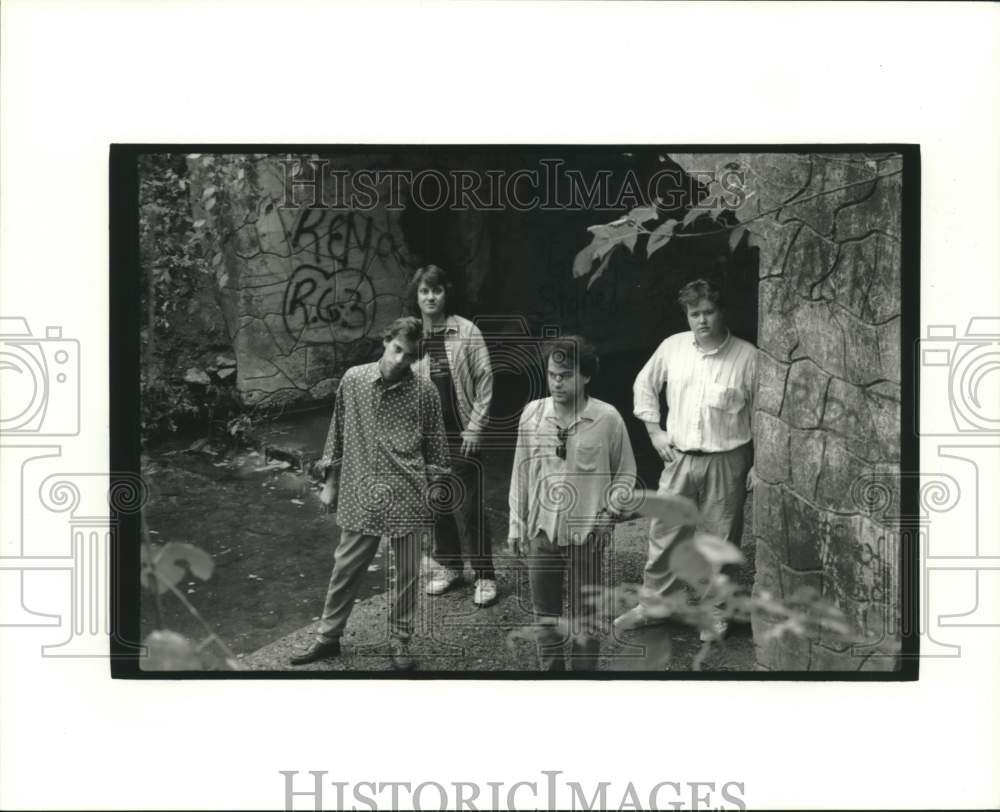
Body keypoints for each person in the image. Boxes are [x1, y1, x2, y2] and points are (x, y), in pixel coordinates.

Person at [290, 317, 450, 670]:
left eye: (409, 357)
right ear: (386, 341)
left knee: (407, 574)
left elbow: (437, 450)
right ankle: (327, 638)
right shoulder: (354, 379)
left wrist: (435, 495)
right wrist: (330, 483)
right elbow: (338, 432)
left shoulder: (425, 392)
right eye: (396, 350)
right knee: (345, 566)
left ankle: (400, 640)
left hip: (408, 492)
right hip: (360, 489)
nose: (399, 361)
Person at [615, 279, 757, 640]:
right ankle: (655, 607)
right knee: (665, 534)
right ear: (687, 315)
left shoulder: (747, 356)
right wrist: (654, 432)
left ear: (722, 312)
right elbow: (644, 385)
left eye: (709, 312)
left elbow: (762, 413)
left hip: (728, 459)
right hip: (678, 459)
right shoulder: (672, 347)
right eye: (695, 313)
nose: (702, 320)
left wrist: (759, 463)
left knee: (720, 538)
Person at [508, 336, 638, 671]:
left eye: (565, 375)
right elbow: (520, 474)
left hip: (587, 538)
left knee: (586, 619)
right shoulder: (532, 415)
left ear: (585, 376)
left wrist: (609, 515)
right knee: (545, 618)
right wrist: (515, 524)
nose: (556, 382)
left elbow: (625, 474)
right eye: (552, 374)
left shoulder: (607, 418)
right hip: (542, 533)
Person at [409, 265, 498, 606]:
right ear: (416, 297)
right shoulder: (412, 336)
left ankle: (485, 575)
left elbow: (485, 381)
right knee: (438, 505)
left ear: (446, 294)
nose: (430, 297)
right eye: (424, 291)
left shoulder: (467, 331)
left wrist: (477, 426)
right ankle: (450, 567)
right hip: (428, 437)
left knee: (471, 504)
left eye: (437, 290)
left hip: (462, 432)